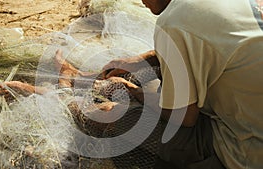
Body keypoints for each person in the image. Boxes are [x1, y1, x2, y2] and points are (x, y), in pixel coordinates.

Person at [101, 0, 263, 168]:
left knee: (117, 116)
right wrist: (139, 61)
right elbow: (199, 44)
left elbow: (184, 116)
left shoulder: (173, 22)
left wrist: (134, 92)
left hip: (248, 150)